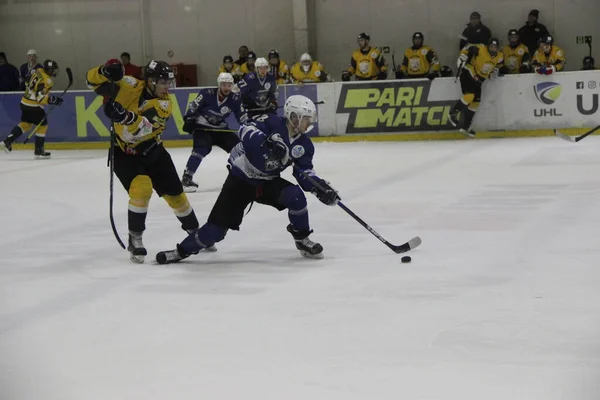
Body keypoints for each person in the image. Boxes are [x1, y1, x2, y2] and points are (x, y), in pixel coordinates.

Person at [155, 95, 340, 264]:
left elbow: (305, 172)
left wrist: (321, 188)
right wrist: (266, 142)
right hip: (241, 179)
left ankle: (302, 239)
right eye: (307, 119)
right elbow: (245, 129)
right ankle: (181, 251)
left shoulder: (304, 145)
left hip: (267, 181)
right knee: (216, 232)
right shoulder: (271, 121)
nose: (309, 123)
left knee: (296, 197)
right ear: (294, 117)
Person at [85, 59, 200, 263]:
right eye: (163, 82)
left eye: (169, 82)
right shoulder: (129, 84)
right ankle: (135, 239)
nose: (167, 87)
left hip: (152, 150)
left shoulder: (165, 104)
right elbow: (91, 82)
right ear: (150, 81)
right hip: (124, 153)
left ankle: (196, 232)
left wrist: (124, 117)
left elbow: (144, 129)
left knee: (176, 197)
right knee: (141, 189)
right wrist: (103, 71)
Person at [181, 72, 248, 192]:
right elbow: (193, 106)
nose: (227, 88)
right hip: (203, 128)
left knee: (239, 148)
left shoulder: (235, 98)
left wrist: (248, 126)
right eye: (224, 85)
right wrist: (189, 118)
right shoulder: (207, 93)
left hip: (220, 129)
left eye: (229, 85)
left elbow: (242, 116)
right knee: (200, 149)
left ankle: (244, 177)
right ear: (218, 85)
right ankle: (186, 179)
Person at [1, 60, 62, 158]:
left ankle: (8, 140)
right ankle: (39, 150)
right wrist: (53, 100)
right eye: (52, 70)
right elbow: (40, 98)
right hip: (34, 106)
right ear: (48, 70)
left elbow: (26, 81)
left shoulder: (37, 70)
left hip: (24, 102)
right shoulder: (46, 80)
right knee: (43, 125)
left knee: (26, 124)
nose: (54, 72)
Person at [449, 38, 504, 138]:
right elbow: (467, 46)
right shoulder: (481, 48)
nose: (493, 49)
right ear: (488, 46)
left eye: (495, 47)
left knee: (476, 102)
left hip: (479, 80)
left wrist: (494, 71)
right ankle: (453, 113)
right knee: (469, 96)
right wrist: (463, 55)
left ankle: (465, 126)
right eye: (491, 46)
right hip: (468, 73)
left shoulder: (500, 56)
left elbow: (499, 64)